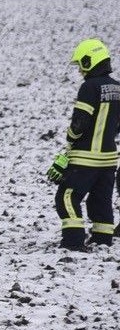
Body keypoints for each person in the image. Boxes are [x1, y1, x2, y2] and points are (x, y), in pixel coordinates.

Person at [47, 39, 120, 250]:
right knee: (101, 201)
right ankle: (102, 240)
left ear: (90, 61)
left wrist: (71, 138)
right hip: (109, 159)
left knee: (66, 197)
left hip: (86, 157)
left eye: (81, 64)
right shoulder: (117, 88)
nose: (80, 70)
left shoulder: (89, 87)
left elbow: (79, 123)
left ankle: (73, 242)